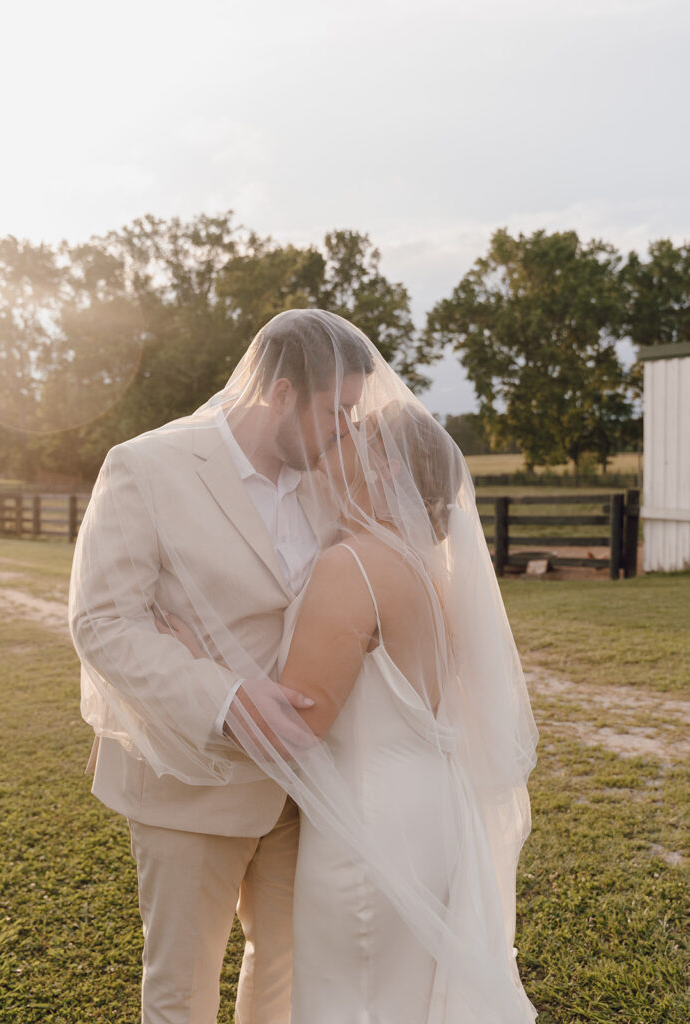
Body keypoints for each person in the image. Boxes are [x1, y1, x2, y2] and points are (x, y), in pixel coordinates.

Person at [151, 317, 539, 1022]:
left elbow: (295, 726)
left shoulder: (351, 566)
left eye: (358, 432)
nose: (341, 434)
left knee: (351, 1001)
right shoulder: (430, 565)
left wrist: (196, 658)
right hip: (431, 812)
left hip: (369, 828)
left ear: (387, 467)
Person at [68, 309, 373, 1024]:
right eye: (336, 411)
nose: (346, 431)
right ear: (281, 393)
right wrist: (225, 693)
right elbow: (102, 620)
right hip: (190, 780)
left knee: (286, 969)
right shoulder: (146, 465)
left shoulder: (328, 478)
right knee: (181, 989)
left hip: (304, 787)